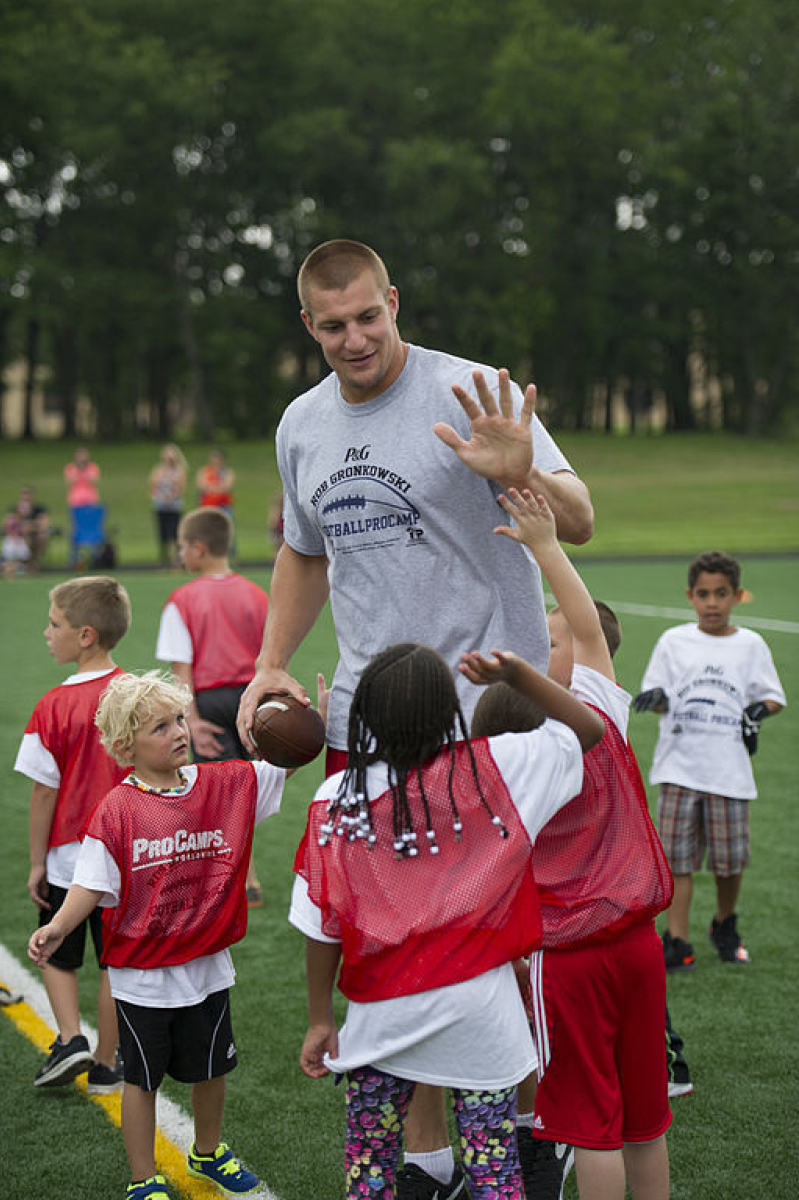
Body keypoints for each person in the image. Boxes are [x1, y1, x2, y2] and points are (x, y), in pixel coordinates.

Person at [236, 242, 593, 1196]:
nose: (354, 339)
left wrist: (529, 476)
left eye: (368, 317)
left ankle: (527, 1126)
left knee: (504, 934)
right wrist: (271, 658)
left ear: (392, 302)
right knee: (393, 940)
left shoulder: (471, 388)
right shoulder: (300, 424)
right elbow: (302, 552)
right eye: (332, 325)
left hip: (486, 713)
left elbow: (582, 519)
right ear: (307, 326)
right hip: (367, 720)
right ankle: (430, 1157)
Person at [290, 641, 604, 1200]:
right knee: (495, 1173)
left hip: (379, 1019)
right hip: (483, 1018)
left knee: (370, 1173)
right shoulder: (496, 769)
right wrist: (518, 675)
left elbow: (323, 925)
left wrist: (319, 1018)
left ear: (363, 716)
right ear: (447, 712)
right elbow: (587, 731)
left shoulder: (338, 794)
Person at [471, 488, 674, 1200]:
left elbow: (580, 635)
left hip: (567, 961)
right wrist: (546, 546)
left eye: (543, 638)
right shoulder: (601, 712)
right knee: (645, 1123)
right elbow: (587, 634)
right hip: (638, 946)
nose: (543, 639)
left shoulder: (506, 759)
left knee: (590, 1127)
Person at [28, 670, 287, 1200]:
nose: (178, 733)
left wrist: (310, 722)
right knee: (142, 1080)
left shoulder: (220, 783)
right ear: (126, 747)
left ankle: (208, 1152)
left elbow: (284, 759)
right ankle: (143, 1177)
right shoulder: (118, 811)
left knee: (213, 1069)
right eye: (159, 727)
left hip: (208, 964)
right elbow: (89, 884)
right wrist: (57, 925)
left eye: (177, 720)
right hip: (143, 977)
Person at [633, 550, 785, 971]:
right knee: (678, 861)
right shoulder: (673, 641)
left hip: (728, 772)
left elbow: (773, 697)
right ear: (690, 596)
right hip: (679, 768)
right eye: (703, 594)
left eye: (721, 594)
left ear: (737, 596)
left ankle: (724, 923)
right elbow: (660, 694)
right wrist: (658, 699)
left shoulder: (750, 644)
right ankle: (677, 940)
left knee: (728, 862)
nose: (712, 603)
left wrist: (758, 713)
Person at [14, 576, 131, 1092]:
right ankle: (107, 1063)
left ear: (85, 635)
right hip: (127, 855)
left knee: (57, 951)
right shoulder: (135, 695)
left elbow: (44, 793)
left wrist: (37, 862)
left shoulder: (51, 706)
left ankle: (69, 1039)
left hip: (68, 856)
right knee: (114, 963)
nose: (46, 633)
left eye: (54, 624)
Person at [156, 507, 270, 906]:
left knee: (216, 798)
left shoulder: (183, 599)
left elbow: (181, 670)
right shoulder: (257, 594)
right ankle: (247, 880)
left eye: (183, 546)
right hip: (254, 700)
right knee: (246, 792)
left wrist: (191, 720)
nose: (180, 554)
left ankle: (235, 882)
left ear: (199, 549)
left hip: (209, 703)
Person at [148, 443, 188, 567]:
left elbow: (181, 487)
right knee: (162, 533)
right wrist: (158, 497)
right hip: (160, 505)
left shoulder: (179, 470)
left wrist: (171, 496)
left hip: (174, 505)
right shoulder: (158, 470)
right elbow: (152, 486)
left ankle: (178, 560)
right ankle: (164, 560)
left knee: (175, 533)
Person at [10, 484, 51, 570]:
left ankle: (33, 563)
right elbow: (13, 524)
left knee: (41, 536)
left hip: (36, 534)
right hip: (21, 536)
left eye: (28, 494)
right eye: (24, 494)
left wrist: (29, 525)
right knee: (26, 535)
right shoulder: (17, 509)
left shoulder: (39, 508)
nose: (26, 497)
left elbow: (43, 524)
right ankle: (27, 563)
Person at [197, 449, 235, 515]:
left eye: (218, 458)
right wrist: (216, 487)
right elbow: (201, 486)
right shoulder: (205, 471)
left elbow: (227, 487)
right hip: (207, 504)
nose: (216, 460)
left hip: (223, 505)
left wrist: (212, 488)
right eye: (214, 457)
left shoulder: (227, 472)